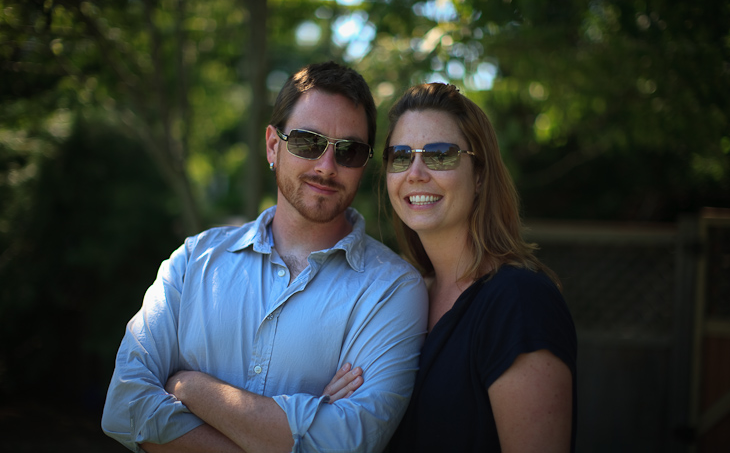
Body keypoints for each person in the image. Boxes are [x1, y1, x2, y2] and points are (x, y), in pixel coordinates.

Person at [101, 61, 428, 453]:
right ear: (274, 145)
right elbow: (125, 405)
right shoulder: (193, 261)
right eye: (308, 142)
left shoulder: (392, 289)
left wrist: (187, 385)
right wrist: (291, 433)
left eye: (349, 151)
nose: (327, 166)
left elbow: (346, 444)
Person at [383, 83, 577, 452]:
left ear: (480, 174)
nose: (416, 172)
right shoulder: (400, 296)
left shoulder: (520, 302)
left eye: (440, 155)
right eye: (401, 156)